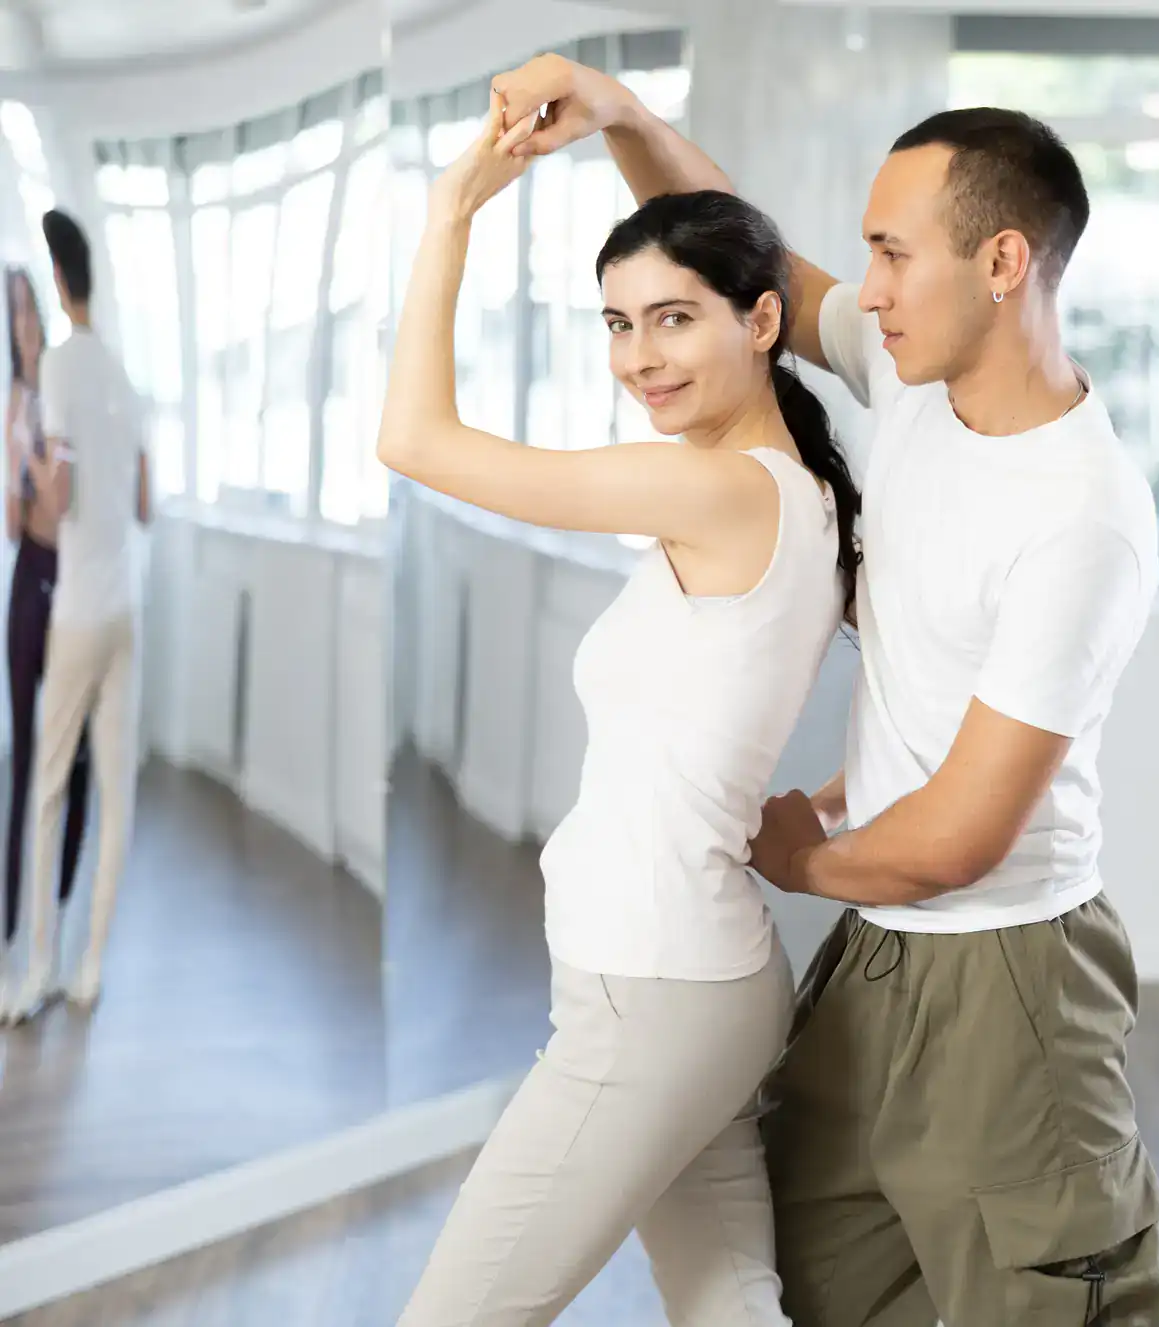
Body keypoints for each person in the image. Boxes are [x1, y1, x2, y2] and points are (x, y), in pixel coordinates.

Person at [492, 52, 1159, 1325]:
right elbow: (750, 263)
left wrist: (797, 856)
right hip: (877, 958)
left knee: (1033, 1303)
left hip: (1006, 978)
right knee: (815, 1292)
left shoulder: (1082, 515)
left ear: (1003, 263)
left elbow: (961, 838)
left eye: (892, 254)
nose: (862, 287)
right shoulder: (916, 383)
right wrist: (623, 118)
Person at [382, 99, 856, 1327]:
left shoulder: (716, 492)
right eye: (617, 322)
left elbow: (413, 438)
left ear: (762, 322)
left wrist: (449, 211)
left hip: (655, 994)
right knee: (726, 1305)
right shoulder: (777, 493)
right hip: (686, 980)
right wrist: (614, 115)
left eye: (674, 319)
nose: (639, 354)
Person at [2, 211, 148, 1023]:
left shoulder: (57, 368)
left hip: (80, 612)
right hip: (130, 609)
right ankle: (90, 968)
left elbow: (57, 498)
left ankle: (35, 975)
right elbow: (147, 503)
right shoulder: (122, 373)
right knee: (116, 792)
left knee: (49, 786)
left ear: (57, 282)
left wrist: (35, 476)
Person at [3, 266, 92, 976]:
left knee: (78, 753)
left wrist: (35, 462)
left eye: (30, 308)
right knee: (29, 751)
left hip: (79, 580)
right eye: (14, 315)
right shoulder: (14, 403)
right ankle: (13, 914)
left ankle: (61, 901)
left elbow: (68, 499)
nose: (25, 324)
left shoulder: (67, 385)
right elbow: (16, 523)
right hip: (30, 575)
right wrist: (15, 458)